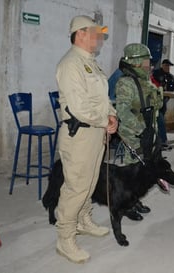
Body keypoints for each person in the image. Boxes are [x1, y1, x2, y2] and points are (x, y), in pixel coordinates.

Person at [55, 15, 118, 264]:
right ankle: (65, 238)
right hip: (79, 134)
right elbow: (80, 108)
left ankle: (83, 220)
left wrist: (111, 116)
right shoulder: (70, 64)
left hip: (95, 133)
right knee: (76, 187)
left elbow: (103, 99)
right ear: (80, 33)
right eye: (96, 33)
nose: (100, 37)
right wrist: (105, 121)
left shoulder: (91, 63)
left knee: (90, 182)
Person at [115, 43, 163, 221]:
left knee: (142, 172)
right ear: (135, 62)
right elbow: (123, 112)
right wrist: (141, 130)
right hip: (134, 134)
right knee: (131, 173)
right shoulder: (125, 83)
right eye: (146, 60)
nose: (149, 63)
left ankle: (134, 200)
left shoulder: (145, 80)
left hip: (147, 132)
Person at [152, 59, 174, 150]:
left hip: (164, 102)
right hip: (155, 102)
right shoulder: (156, 74)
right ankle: (163, 141)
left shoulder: (170, 76)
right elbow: (154, 88)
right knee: (161, 122)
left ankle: (159, 142)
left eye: (169, 66)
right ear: (162, 65)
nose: (168, 67)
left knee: (160, 123)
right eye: (166, 65)